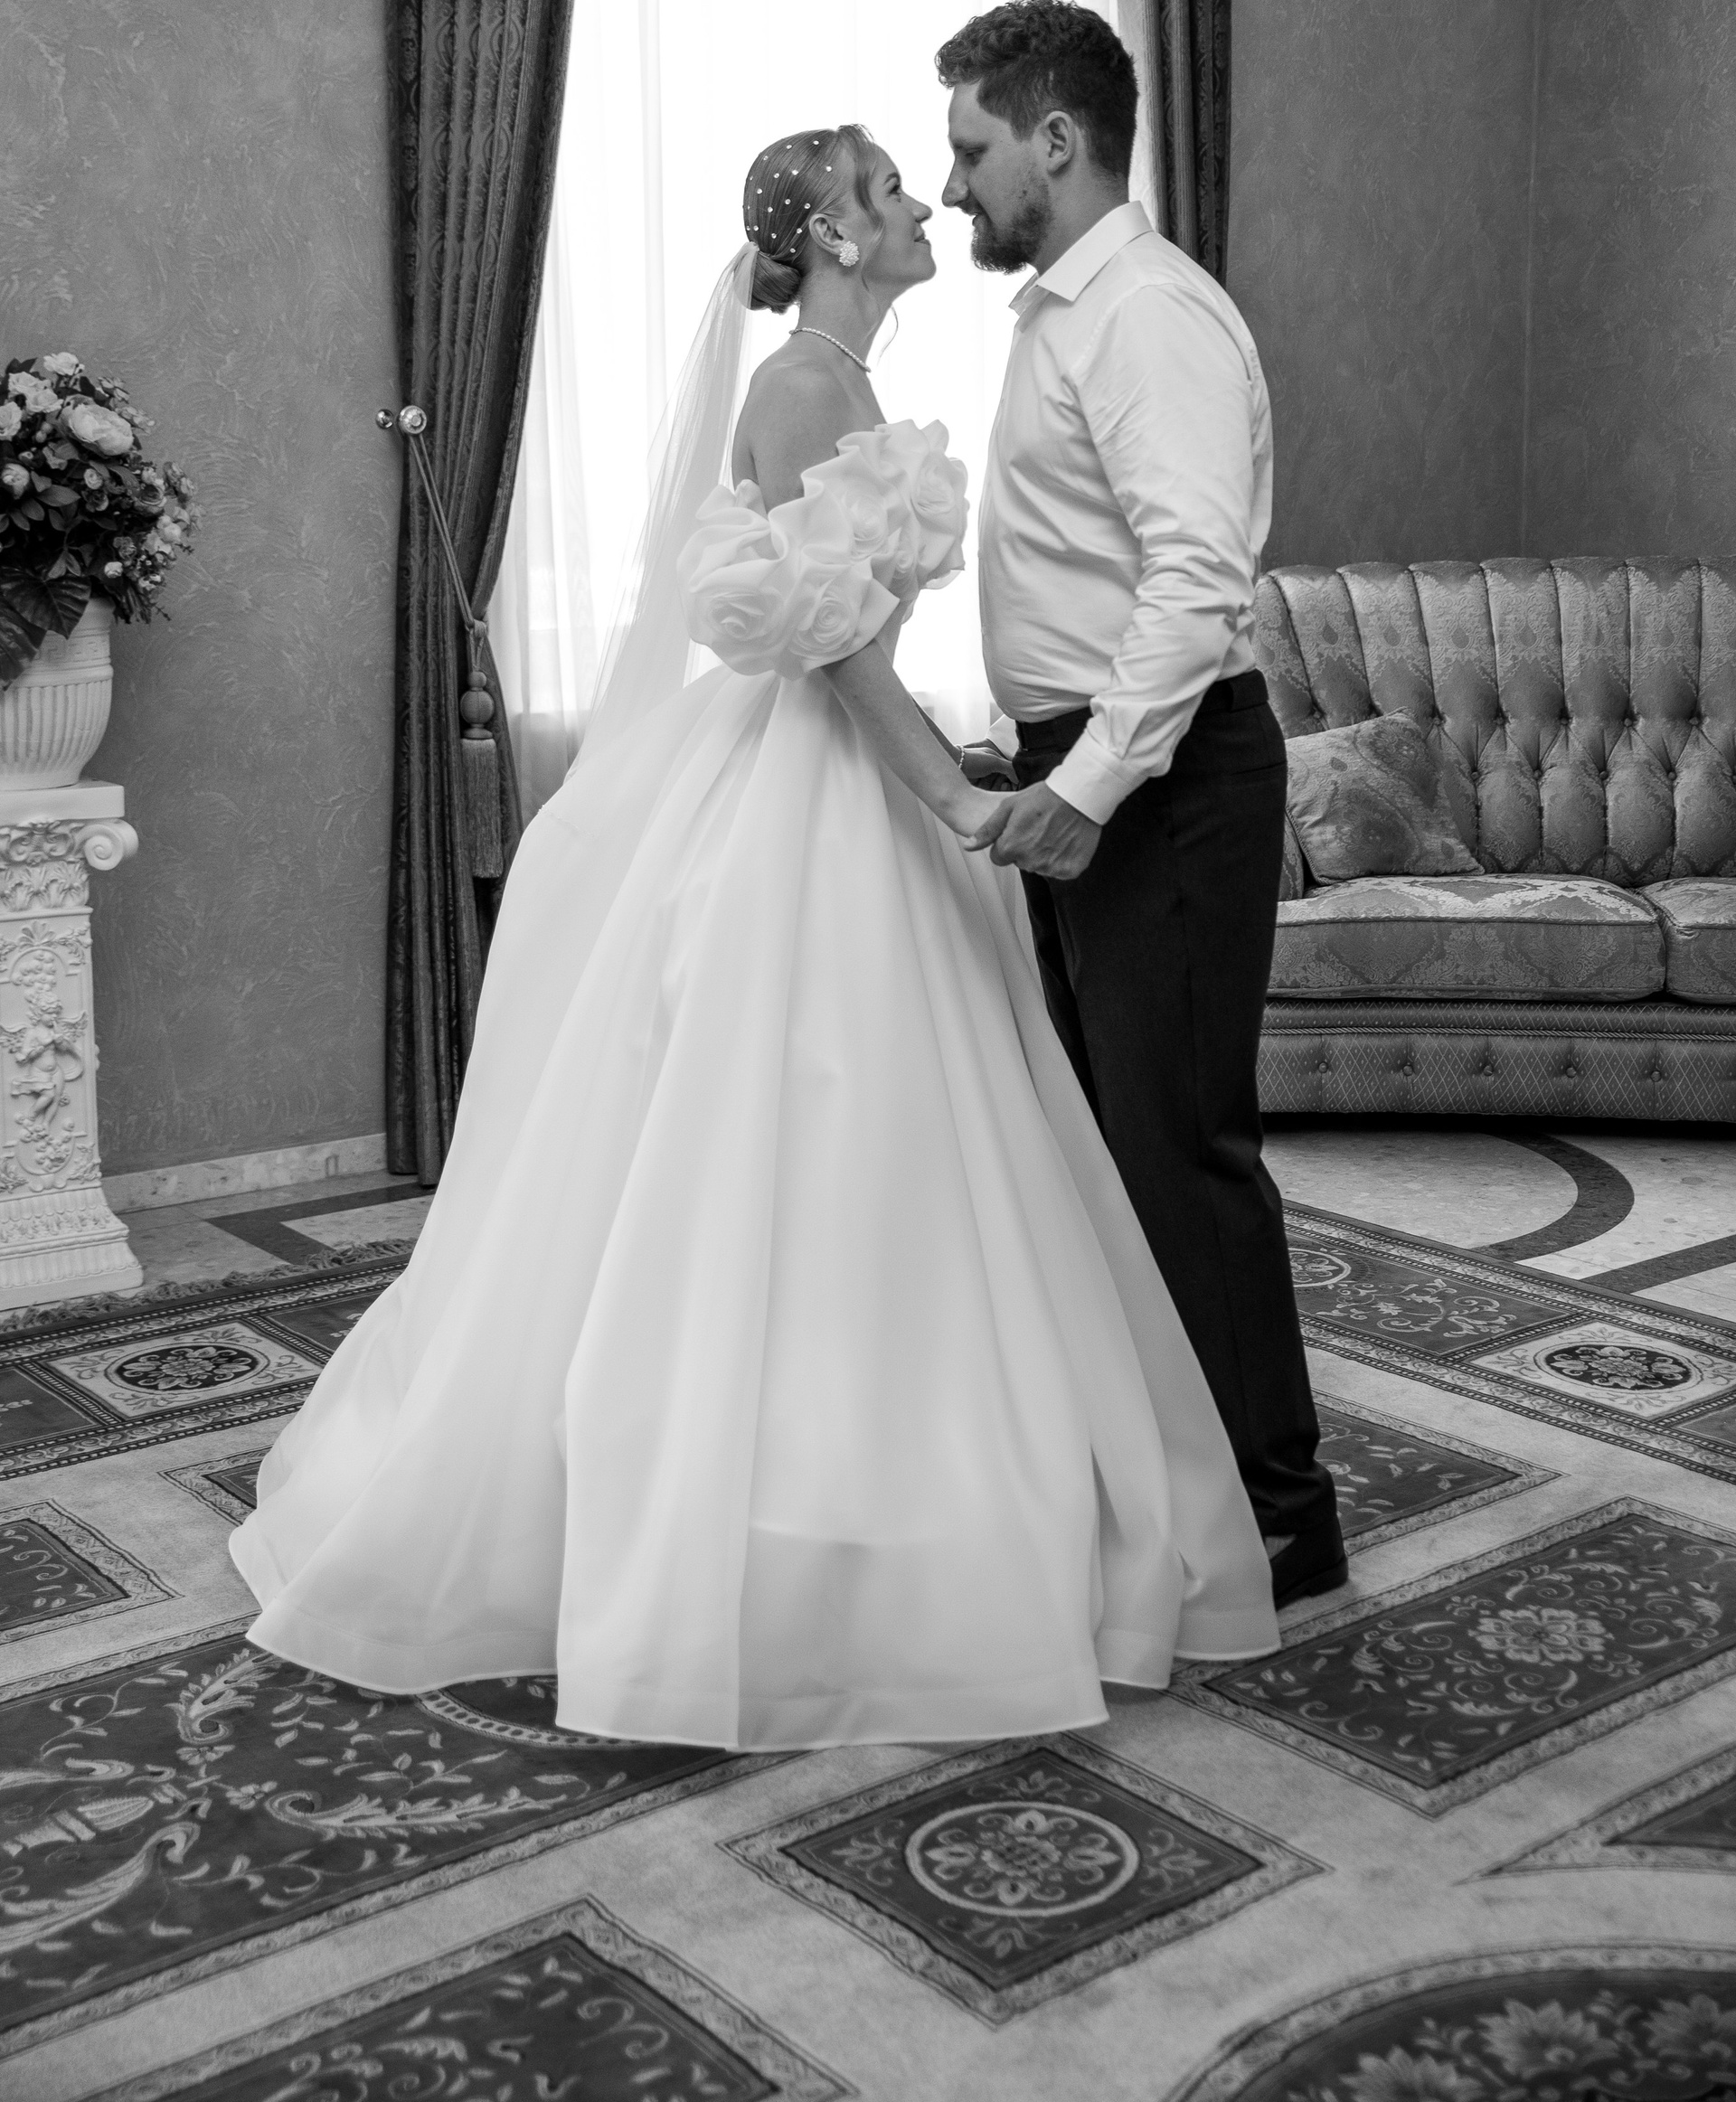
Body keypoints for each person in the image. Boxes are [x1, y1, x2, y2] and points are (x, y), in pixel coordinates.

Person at [229, 121, 1277, 1750]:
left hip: (864, 771)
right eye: (890, 187)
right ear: (837, 237)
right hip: (814, 786)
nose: (923, 201)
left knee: (915, 1146)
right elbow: (838, 646)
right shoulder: (799, 387)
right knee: (800, 1124)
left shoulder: (844, 381)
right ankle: (778, 1510)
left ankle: (909, 1466)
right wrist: (951, 791)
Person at [938, 0, 1344, 1607]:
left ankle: (1279, 1518)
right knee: (1115, 1150)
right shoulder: (1063, 311)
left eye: (973, 147)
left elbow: (1194, 581)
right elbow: (1089, 571)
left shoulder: (1148, 315)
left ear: (1056, 139)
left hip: (1165, 783)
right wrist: (1037, 753)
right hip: (1095, 765)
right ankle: (1172, 1484)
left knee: (1179, 1148)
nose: (956, 183)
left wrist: (1094, 782)